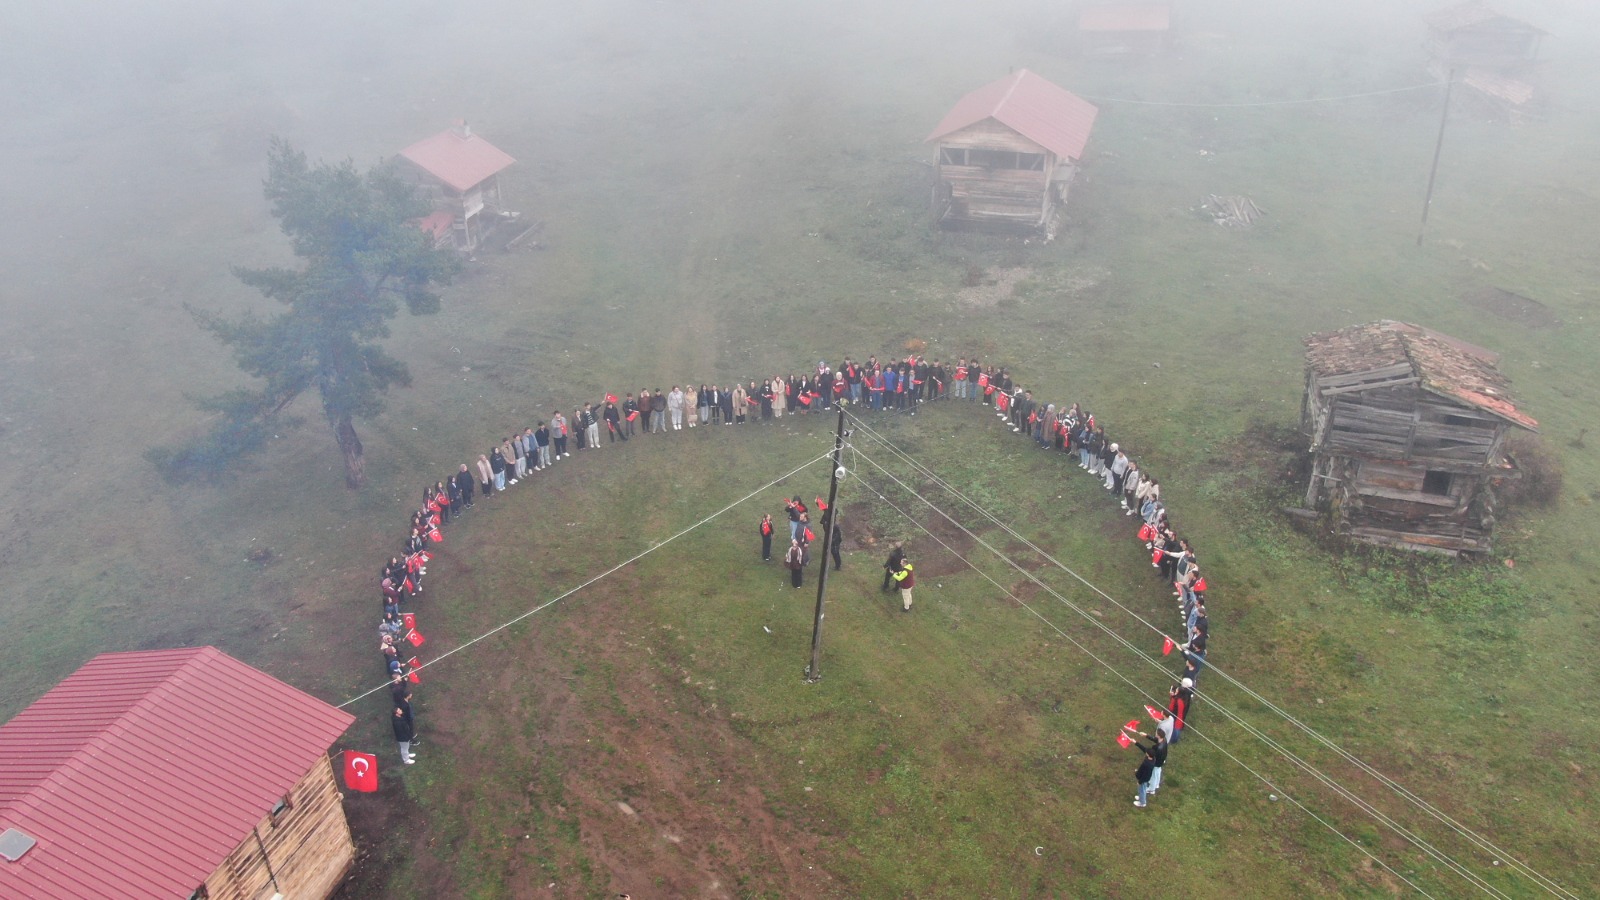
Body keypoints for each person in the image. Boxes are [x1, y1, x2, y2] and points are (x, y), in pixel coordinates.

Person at [1125, 728, 1164, 808]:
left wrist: (1139, 781)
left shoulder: (1147, 764)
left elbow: (1145, 775)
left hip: (1143, 780)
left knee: (1142, 790)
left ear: (1148, 755)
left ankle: (1142, 802)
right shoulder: (1152, 759)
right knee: (1141, 790)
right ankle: (1141, 797)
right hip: (1144, 778)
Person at [1167, 679, 1193, 744]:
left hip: (1176, 716)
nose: (1175, 691)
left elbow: (1171, 708)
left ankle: (1173, 740)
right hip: (1182, 715)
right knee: (1178, 727)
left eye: (1176, 691)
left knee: (1176, 729)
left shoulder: (1178, 701)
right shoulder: (1185, 697)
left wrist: (1172, 697)